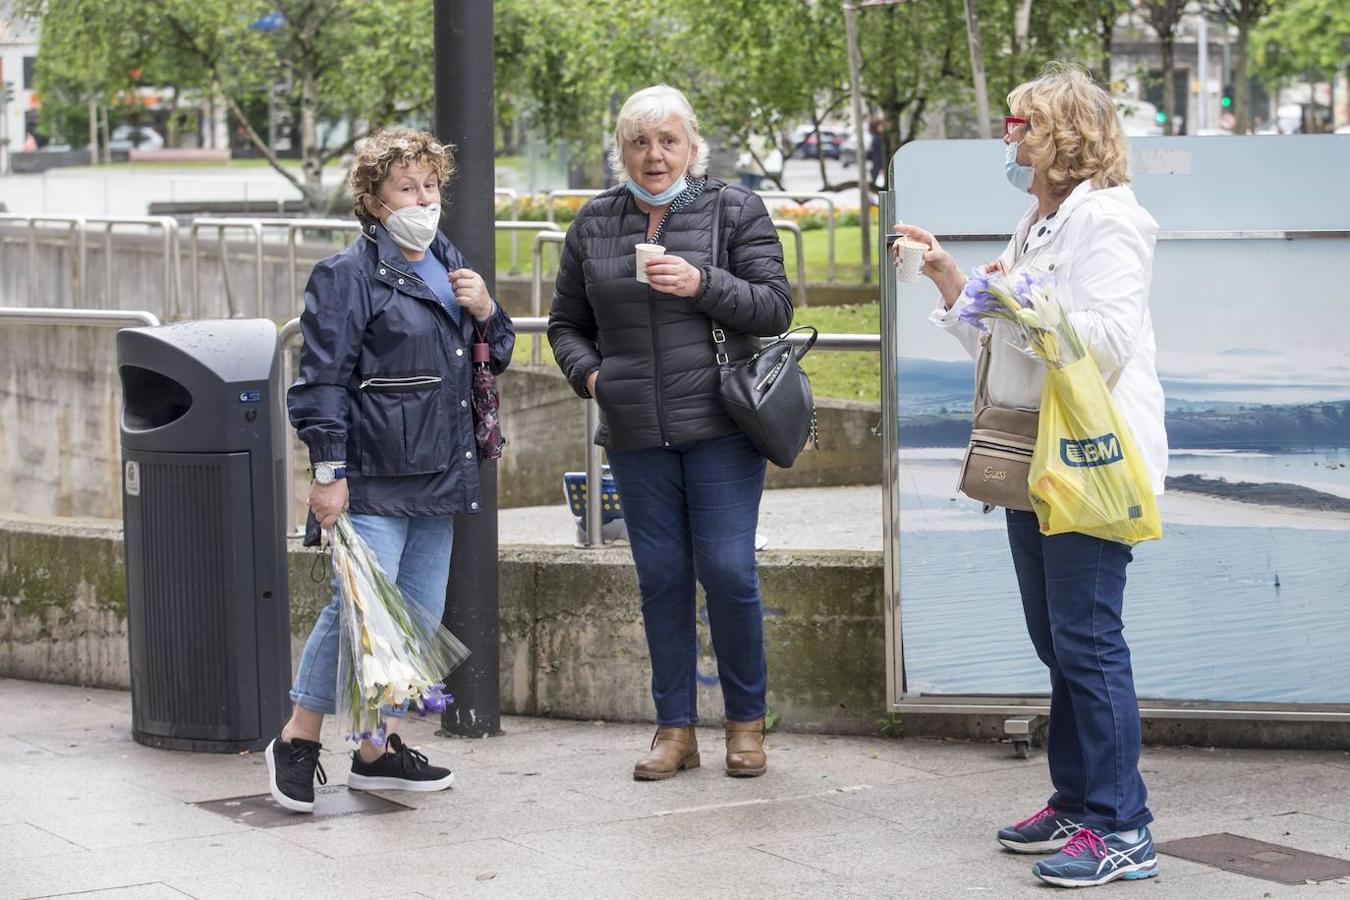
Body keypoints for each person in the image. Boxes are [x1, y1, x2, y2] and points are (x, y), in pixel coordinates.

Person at [893, 63, 1166, 888]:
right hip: (1035, 457)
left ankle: (1126, 830)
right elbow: (1001, 346)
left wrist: (1016, 300)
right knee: (1058, 641)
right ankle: (1078, 800)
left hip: (1090, 458)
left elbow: (1107, 339)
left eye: (1019, 124)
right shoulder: (1037, 220)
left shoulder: (1113, 221)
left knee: (1087, 641)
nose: (1007, 139)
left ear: (1061, 135)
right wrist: (952, 278)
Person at [548, 85, 793, 781]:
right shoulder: (594, 222)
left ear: (692, 148)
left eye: (668, 141)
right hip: (633, 431)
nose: (654, 155)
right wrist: (592, 379)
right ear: (621, 149)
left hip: (720, 424)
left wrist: (701, 282)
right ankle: (674, 730)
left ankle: (746, 725)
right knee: (660, 577)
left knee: (727, 571)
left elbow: (775, 308)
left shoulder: (734, 209)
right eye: (639, 141)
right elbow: (566, 324)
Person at [269, 127, 515, 813]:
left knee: (412, 619)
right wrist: (328, 471)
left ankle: (377, 750)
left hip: (443, 470)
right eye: (407, 187)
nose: (424, 198)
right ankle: (298, 739)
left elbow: (497, 352)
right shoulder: (345, 277)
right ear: (375, 201)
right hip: (374, 474)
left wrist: (487, 310)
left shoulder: (448, 260)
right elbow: (319, 382)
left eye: (431, 185)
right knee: (359, 615)